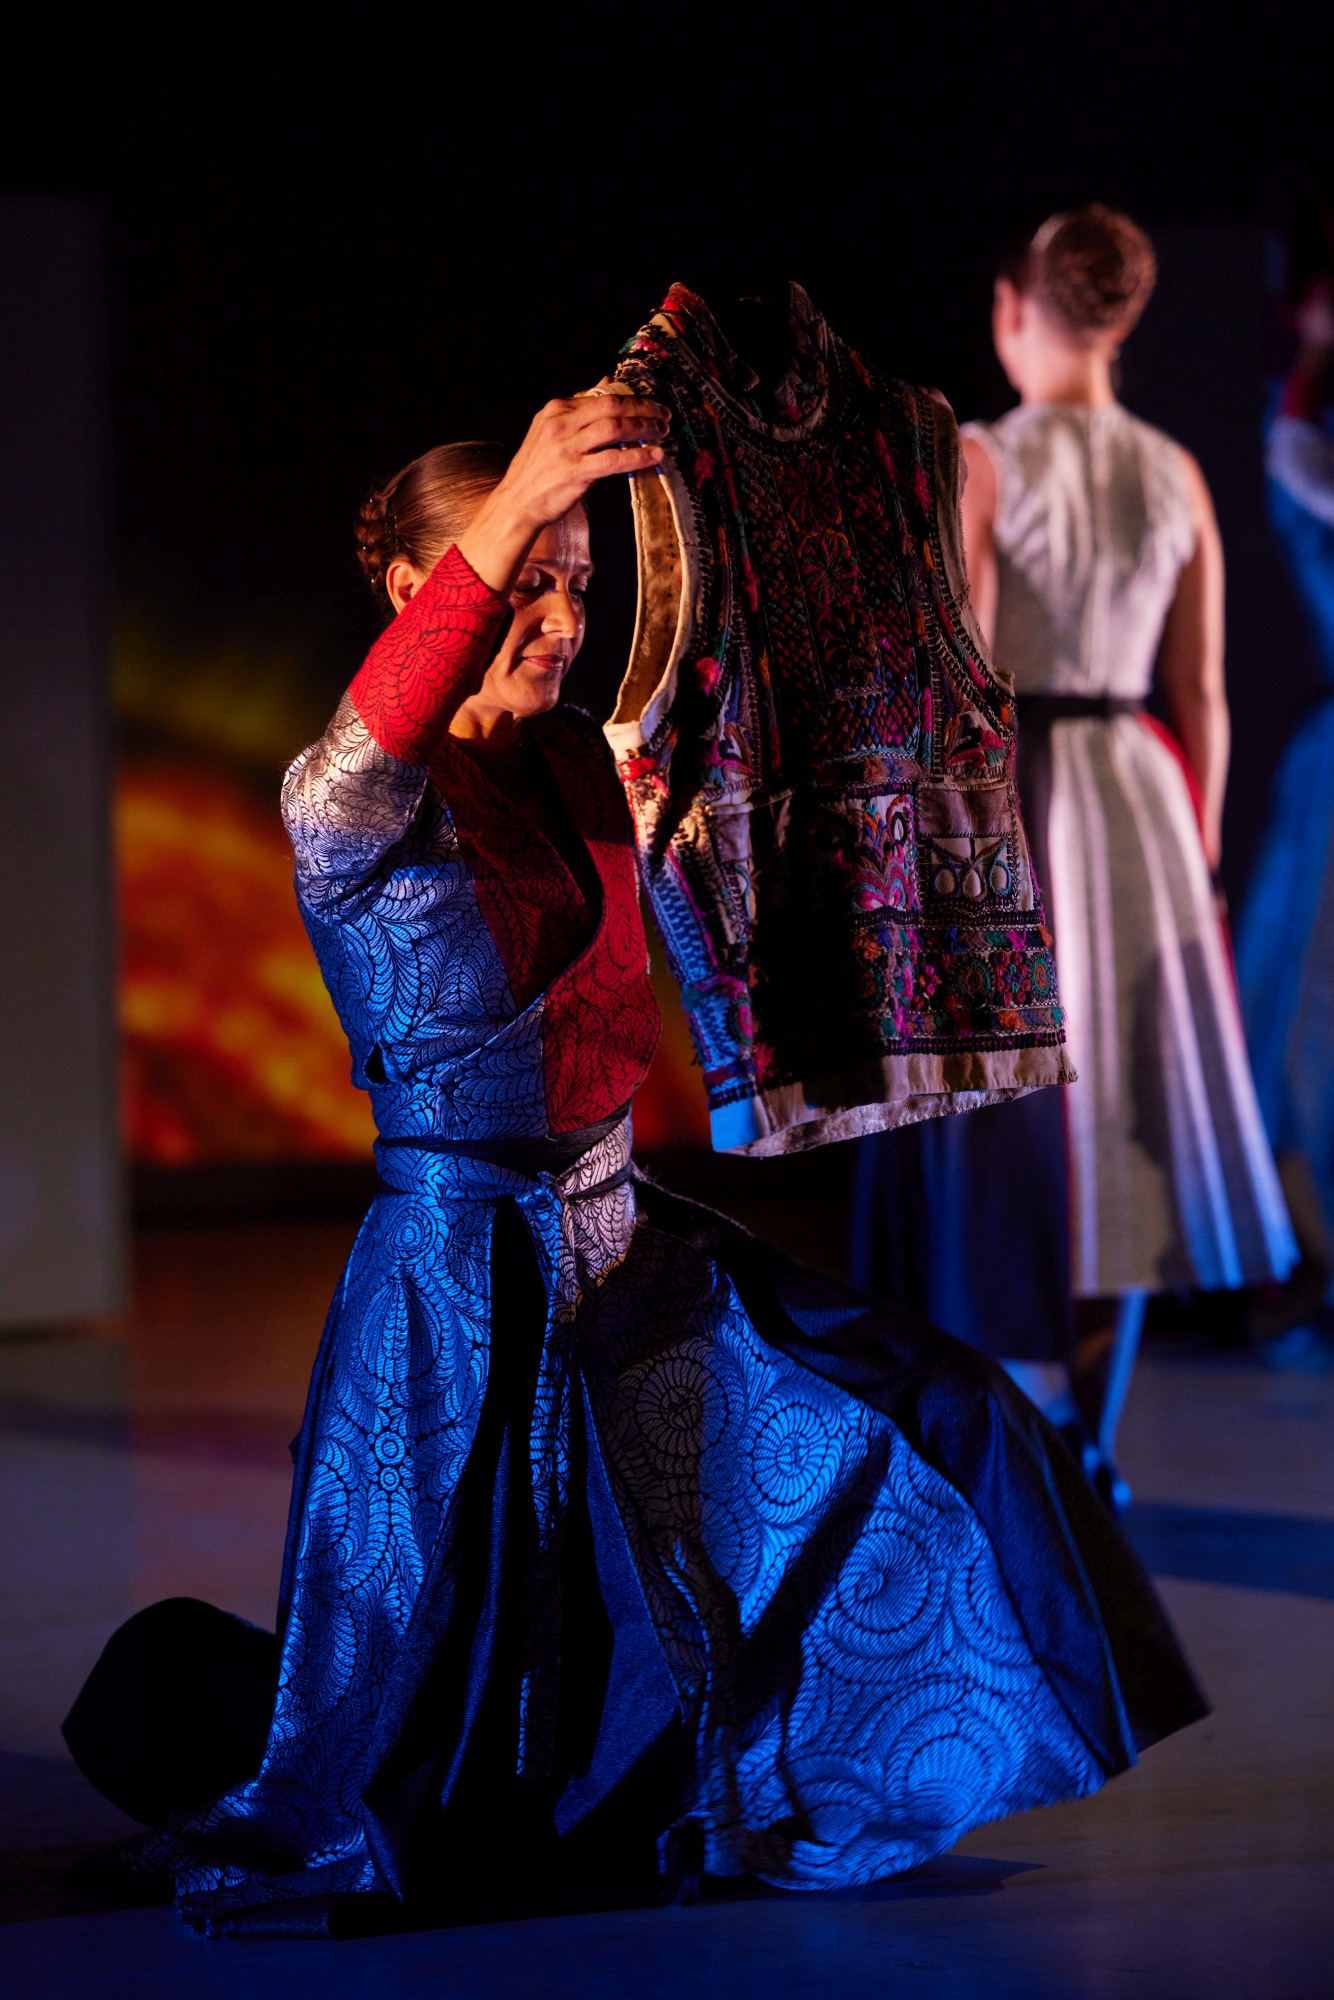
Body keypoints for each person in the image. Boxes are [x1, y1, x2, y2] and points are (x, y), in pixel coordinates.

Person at [69, 385, 1204, 1937]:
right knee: (442, 1707)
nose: (557, 618)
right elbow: (375, 729)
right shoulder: (348, 804)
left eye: (577, 586)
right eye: (523, 578)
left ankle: (815, 1770)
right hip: (455, 1288)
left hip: (623, 1244)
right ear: (412, 587)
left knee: (938, 1414)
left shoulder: (584, 768)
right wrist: (526, 485)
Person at [853, 206, 1296, 1504]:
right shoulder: (1171, 470)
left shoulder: (985, 458)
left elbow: (963, 669)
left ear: (1012, 311)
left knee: (1013, 1108)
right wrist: (1196, 843)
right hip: (1138, 793)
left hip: (1018, 794)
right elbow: (1201, 689)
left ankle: (1032, 1425)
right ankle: (1085, 1433)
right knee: (1118, 1109)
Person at [1235, 256, 1334, 1319]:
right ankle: (1303, 1256)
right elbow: (1292, 461)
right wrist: (1310, 353)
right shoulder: (1306, 455)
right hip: (1325, 770)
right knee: (1297, 1012)